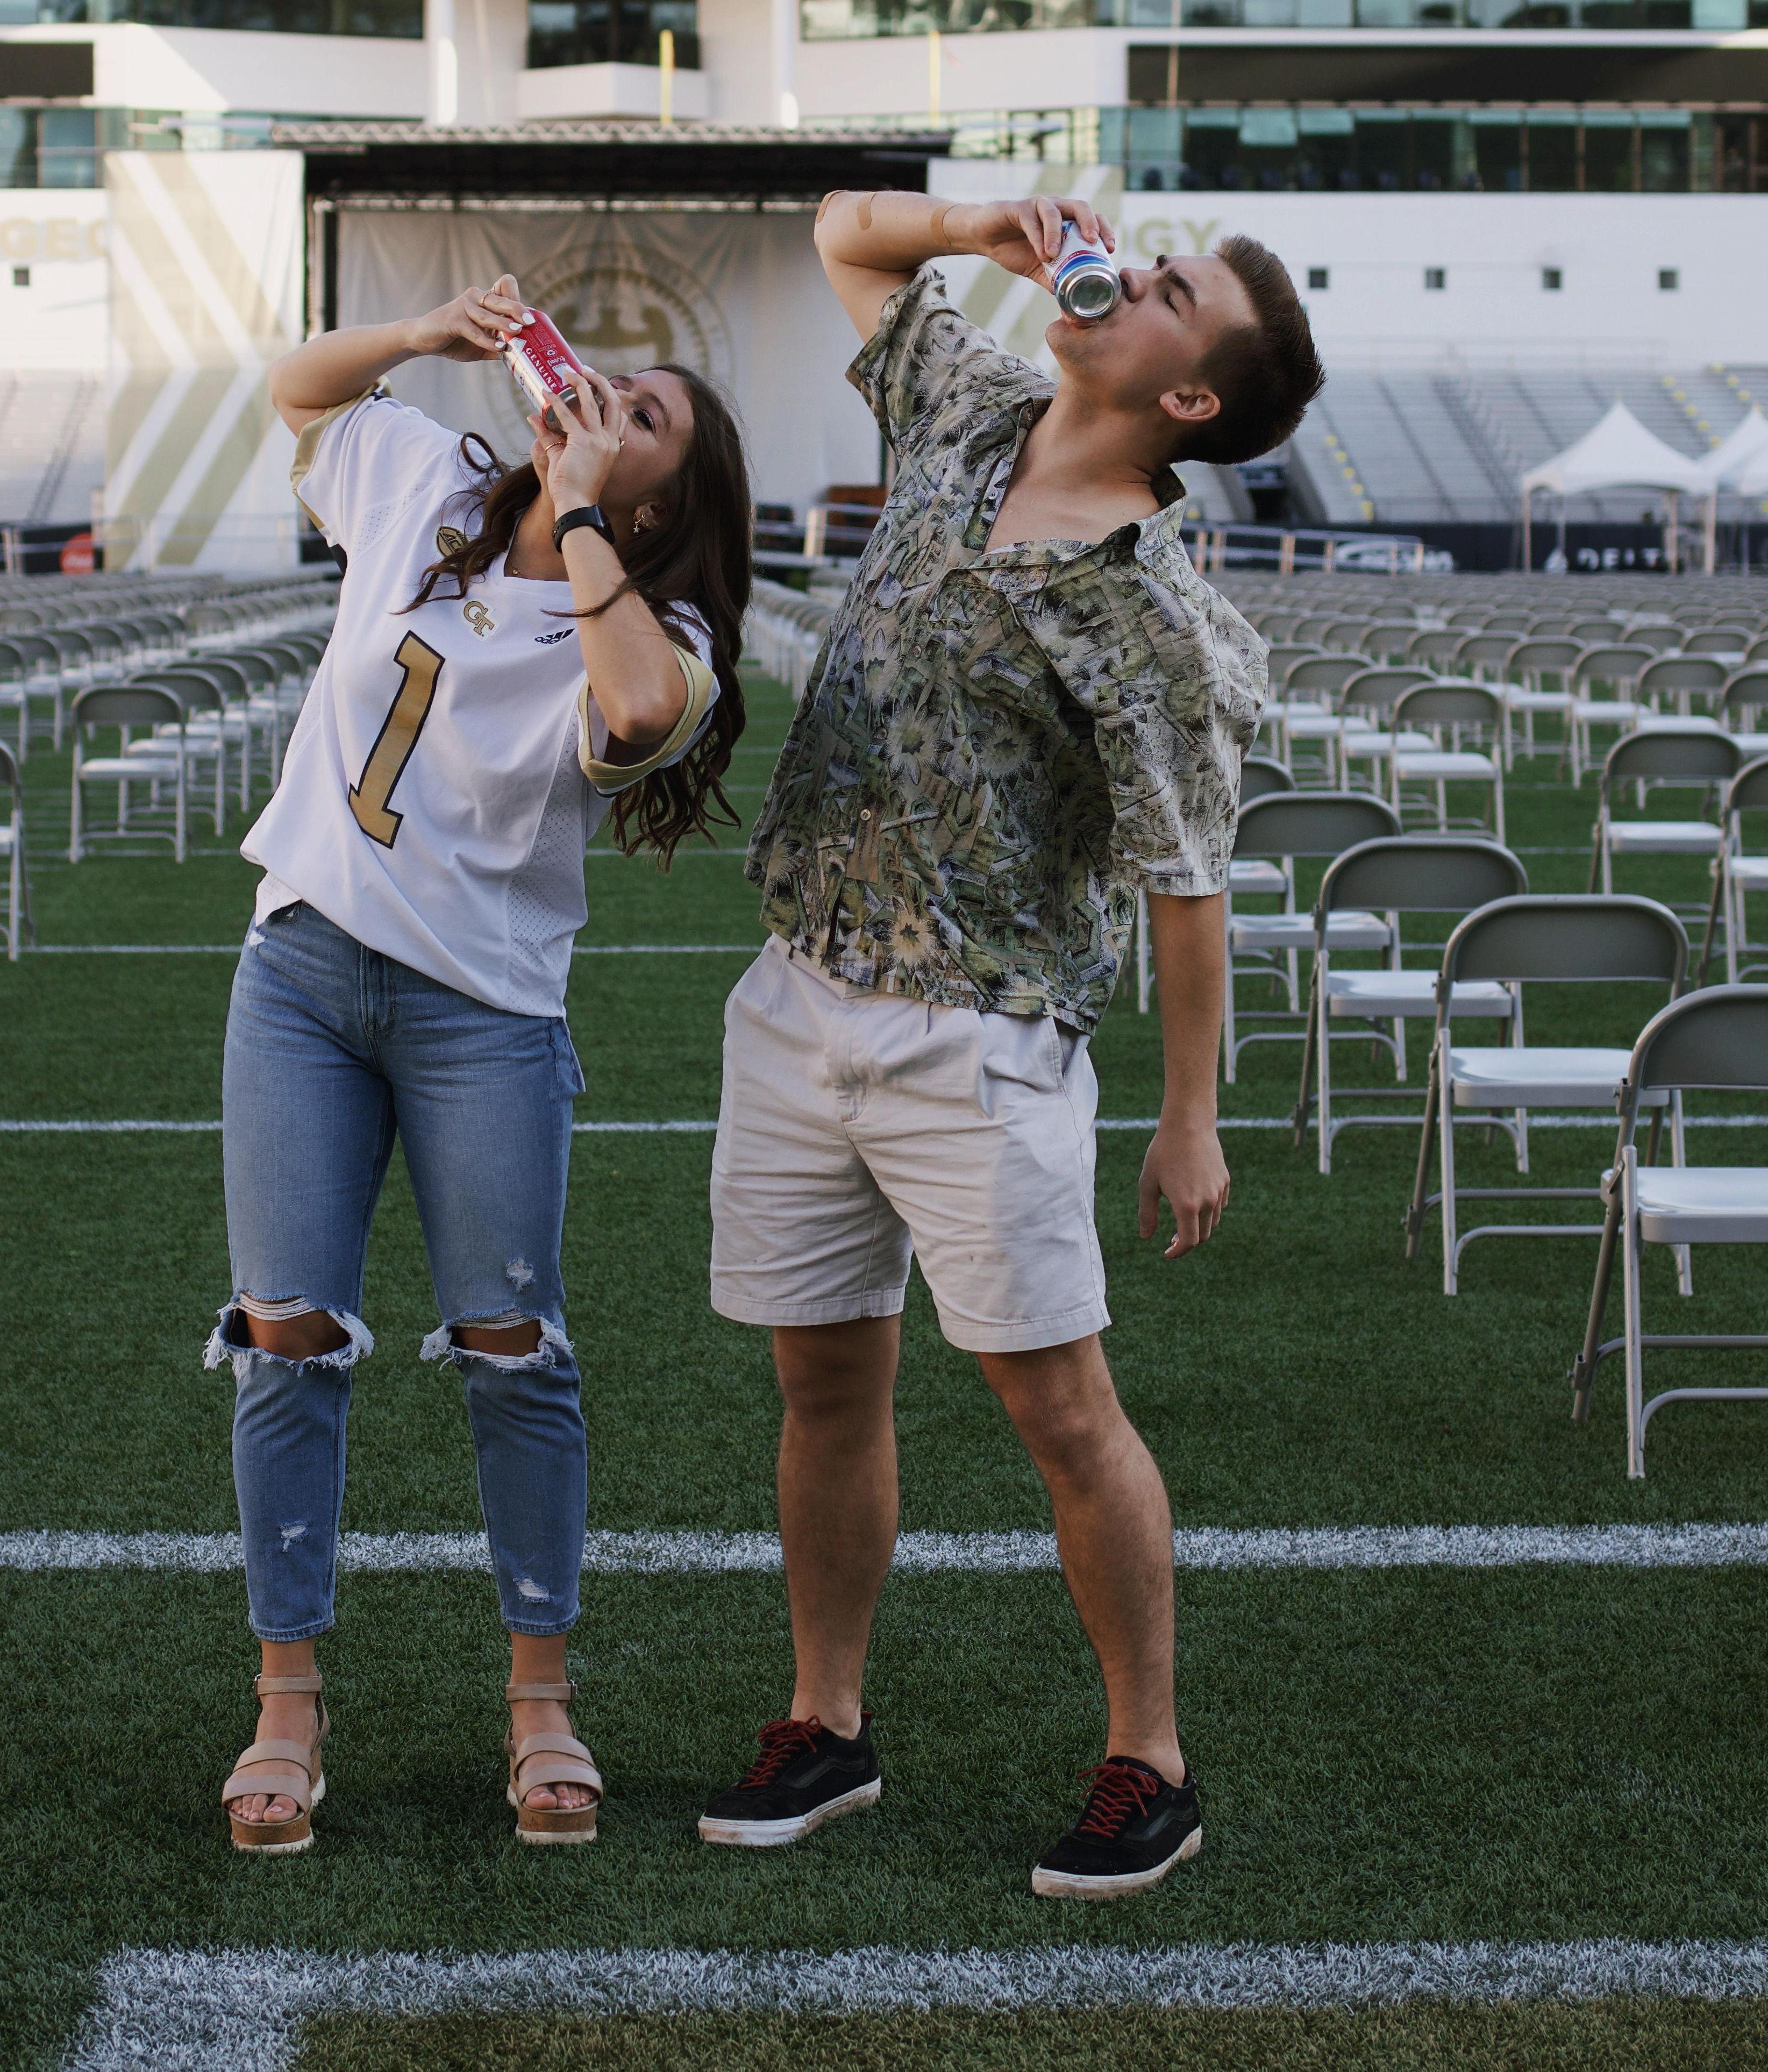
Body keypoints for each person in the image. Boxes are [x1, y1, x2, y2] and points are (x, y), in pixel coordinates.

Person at [700, 192, 1323, 1897]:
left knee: (1060, 1410)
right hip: (801, 987)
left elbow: (1189, 878)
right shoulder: (970, 406)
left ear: (1191, 396)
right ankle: (827, 1721)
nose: (1134, 267)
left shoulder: (1154, 603)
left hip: (983, 1035)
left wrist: (1190, 1115)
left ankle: (1151, 1759)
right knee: (822, 1380)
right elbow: (847, 236)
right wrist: (987, 222)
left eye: (1173, 286)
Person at [210, 275, 752, 1854]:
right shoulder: (433, 480)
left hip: (484, 1016)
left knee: (514, 1350)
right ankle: (286, 1704)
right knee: (284, 1338)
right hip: (302, 970)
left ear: (661, 513)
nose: (604, 397)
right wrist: (423, 333)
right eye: (612, 378)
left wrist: (578, 520)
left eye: (646, 417)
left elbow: (641, 708)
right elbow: (297, 389)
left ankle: (539, 1703)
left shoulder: (666, 625)